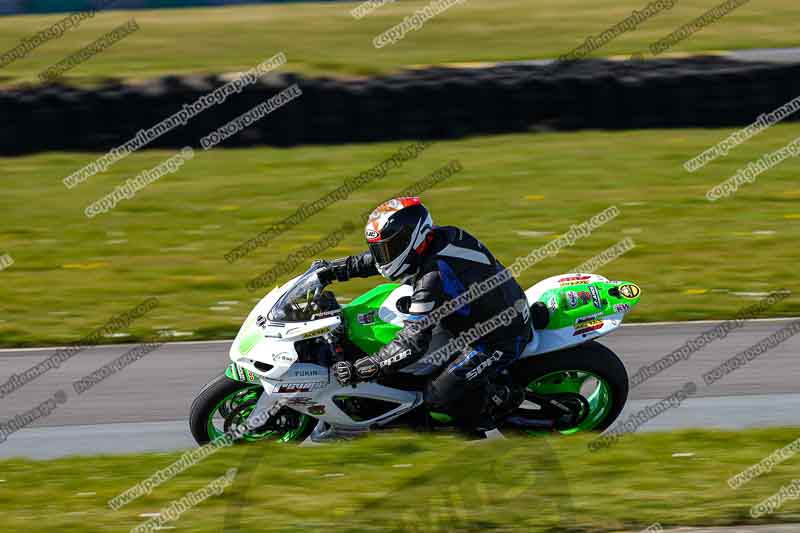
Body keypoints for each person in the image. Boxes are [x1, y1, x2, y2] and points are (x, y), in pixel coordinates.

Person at [316, 197, 534, 431]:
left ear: (413, 238)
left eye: (389, 248)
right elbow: (380, 261)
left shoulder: (433, 277)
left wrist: (367, 367)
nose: (383, 256)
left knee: (436, 398)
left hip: (495, 339)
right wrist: (333, 270)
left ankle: (500, 399)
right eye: (380, 248)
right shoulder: (437, 238)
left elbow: (413, 342)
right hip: (470, 318)